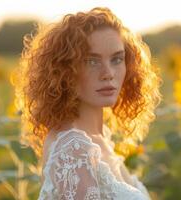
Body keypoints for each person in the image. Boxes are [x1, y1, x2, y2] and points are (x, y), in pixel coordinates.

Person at [13, 6, 161, 200]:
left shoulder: (99, 138)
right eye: (92, 61)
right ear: (64, 70)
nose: (108, 73)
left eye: (117, 59)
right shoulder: (72, 148)